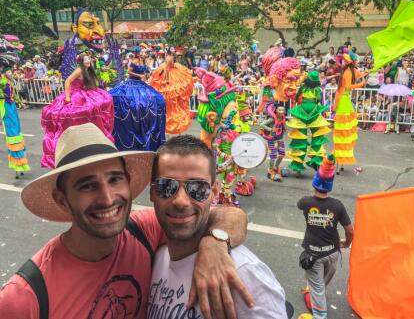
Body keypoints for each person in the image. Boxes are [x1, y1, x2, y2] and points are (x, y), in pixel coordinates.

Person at [0, 123, 253, 319]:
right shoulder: (24, 297)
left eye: (115, 179)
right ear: (63, 200)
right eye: (87, 185)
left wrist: (215, 244)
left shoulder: (143, 229)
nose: (108, 198)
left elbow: (231, 214)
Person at [148, 134, 288, 319]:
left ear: (213, 193)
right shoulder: (155, 256)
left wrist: (215, 241)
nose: (181, 201)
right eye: (166, 186)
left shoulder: (243, 275)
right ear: (152, 192)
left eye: (197, 188)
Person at [298, 155, 353, 319]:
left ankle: (319, 316)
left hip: (314, 256)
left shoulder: (305, 202)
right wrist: (346, 243)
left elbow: (301, 204)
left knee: (317, 288)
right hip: (332, 254)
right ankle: (316, 294)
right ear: (330, 186)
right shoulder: (337, 205)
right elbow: (350, 230)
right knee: (321, 283)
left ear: (315, 183)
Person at [41, 53, 114, 168]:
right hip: (75, 94)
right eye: (85, 59)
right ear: (81, 62)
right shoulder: (80, 70)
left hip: (84, 92)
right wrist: (68, 97)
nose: (88, 61)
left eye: (88, 59)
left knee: (104, 100)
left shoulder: (88, 69)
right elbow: (68, 81)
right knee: (81, 111)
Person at [110, 48, 166, 151]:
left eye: (145, 52)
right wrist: (139, 75)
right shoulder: (134, 61)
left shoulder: (144, 61)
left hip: (142, 84)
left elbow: (147, 71)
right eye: (143, 52)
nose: (145, 53)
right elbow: (129, 72)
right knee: (135, 102)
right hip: (132, 83)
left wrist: (148, 75)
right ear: (138, 53)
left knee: (158, 98)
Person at [332, 53, 367, 172]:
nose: (357, 62)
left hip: (346, 100)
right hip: (343, 101)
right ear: (352, 62)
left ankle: (342, 160)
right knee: (343, 132)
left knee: (347, 131)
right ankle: (340, 160)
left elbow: (359, 74)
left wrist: (367, 73)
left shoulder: (352, 70)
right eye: (356, 60)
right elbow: (348, 86)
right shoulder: (347, 72)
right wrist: (361, 84)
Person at [149, 47, 194, 135]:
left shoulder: (169, 59)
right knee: (172, 103)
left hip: (172, 76)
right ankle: (171, 126)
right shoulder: (170, 59)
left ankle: (170, 126)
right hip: (170, 77)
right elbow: (166, 69)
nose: (174, 54)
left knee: (172, 103)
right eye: (173, 52)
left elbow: (167, 68)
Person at [0, 68, 30, 178]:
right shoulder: (2, 81)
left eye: (11, 71)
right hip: (6, 108)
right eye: (9, 71)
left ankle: (21, 162)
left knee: (17, 132)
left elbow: (14, 95)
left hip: (12, 107)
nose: (12, 73)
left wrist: (20, 102)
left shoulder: (9, 81)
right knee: (12, 134)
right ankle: (17, 163)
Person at [259, 102, 287, 181]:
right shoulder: (272, 119)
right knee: (273, 156)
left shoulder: (282, 118)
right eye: (279, 110)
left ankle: (276, 167)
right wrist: (270, 129)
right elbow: (262, 124)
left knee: (282, 154)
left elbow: (281, 125)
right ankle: (270, 170)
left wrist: (283, 128)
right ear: (276, 111)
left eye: (283, 110)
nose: (281, 112)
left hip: (280, 138)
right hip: (272, 139)